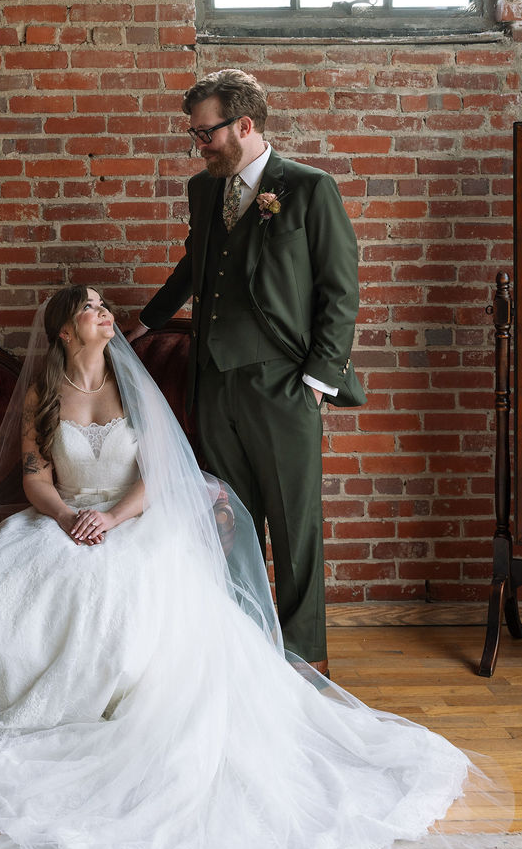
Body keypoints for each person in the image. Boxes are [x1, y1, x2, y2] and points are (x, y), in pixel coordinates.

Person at [0, 283, 483, 849]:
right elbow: (35, 477)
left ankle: (115, 707)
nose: (102, 309)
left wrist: (111, 519)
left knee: (128, 589)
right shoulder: (42, 396)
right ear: (62, 332)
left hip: (136, 522)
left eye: (102, 302)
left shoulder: (131, 385)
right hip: (63, 522)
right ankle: (35, 703)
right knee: (0, 583)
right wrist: (64, 517)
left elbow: (160, 474)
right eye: (87, 306)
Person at [131, 68, 364, 676]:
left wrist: (316, 383)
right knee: (229, 522)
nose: (198, 145)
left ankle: (305, 658)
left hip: (283, 383)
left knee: (295, 525)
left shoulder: (310, 190)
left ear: (245, 125)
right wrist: (148, 323)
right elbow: (195, 262)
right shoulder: (204, 191)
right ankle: (243, 652)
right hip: (215, 380)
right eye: (193, 135)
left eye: (205, 134)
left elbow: (339, 293)